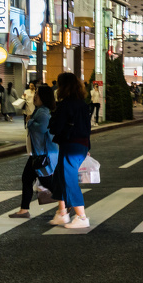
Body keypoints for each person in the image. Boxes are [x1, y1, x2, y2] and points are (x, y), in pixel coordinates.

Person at [48, 72, 91, 229]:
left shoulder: (66, 105)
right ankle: (62, 213)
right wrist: (87, 147)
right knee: (60, 177)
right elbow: (87, 127)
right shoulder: (82, 103)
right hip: (81, 144)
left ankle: (81, 216)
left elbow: (56, 127)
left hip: (70, 145)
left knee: (68, 180)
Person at [10, 85, 60, 219]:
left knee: (45, 181)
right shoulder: (41, 110)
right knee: (28, 178)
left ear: (43, 97)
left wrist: (30, 121)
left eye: (37, 94)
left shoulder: (43, 112)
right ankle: (24, 210)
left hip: (43, 154)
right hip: (39, 153)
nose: (35, 96)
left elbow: (43, 128)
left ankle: (67, 202)